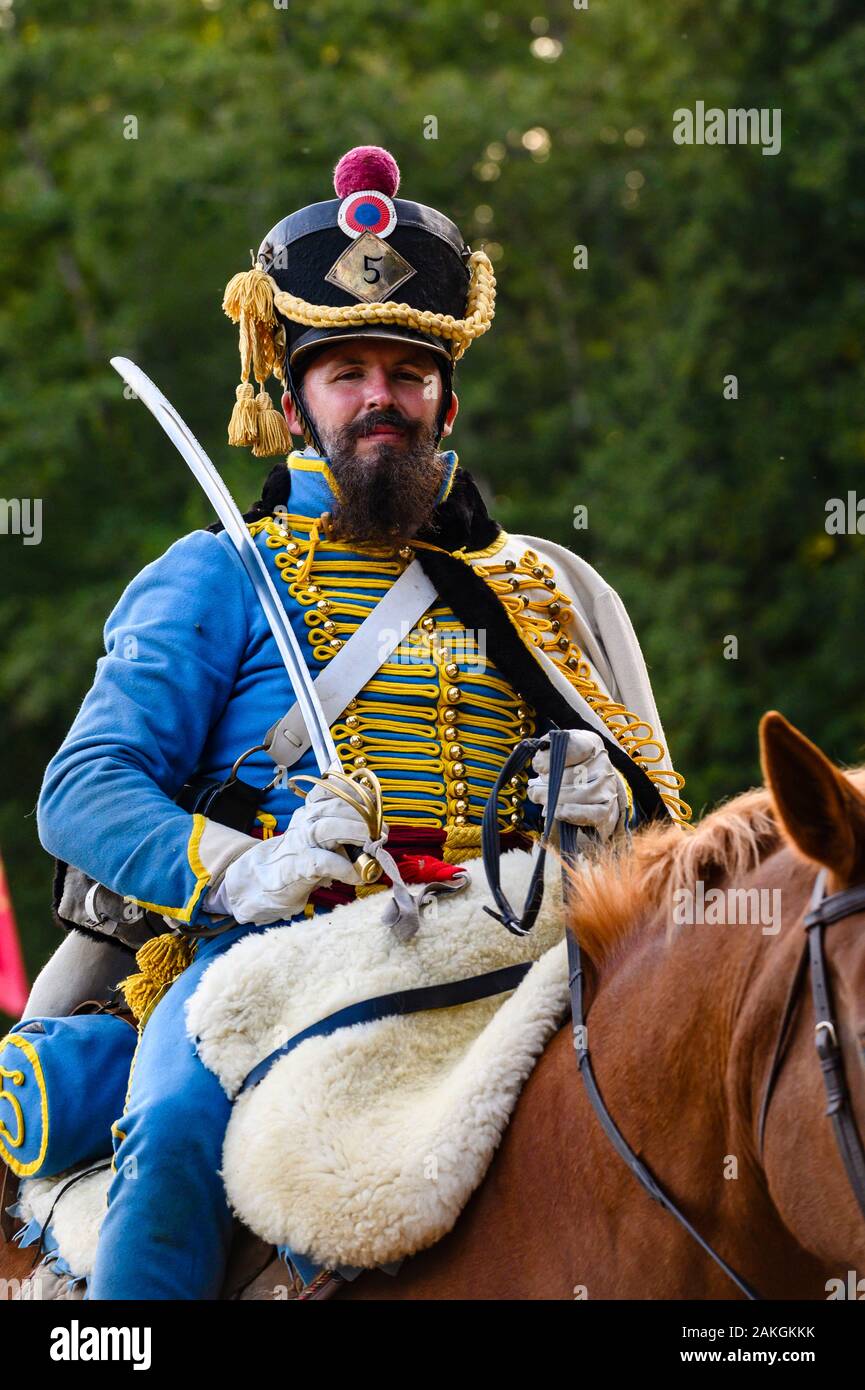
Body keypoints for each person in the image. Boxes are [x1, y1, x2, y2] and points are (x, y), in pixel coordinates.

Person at [15, 146, 690, 1298]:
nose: (379, 395)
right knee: (174, 1130)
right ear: (291, 403)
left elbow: (671, 823)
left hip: (525, 947)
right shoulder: (218, 575)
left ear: (444, 400)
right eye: (346, 373)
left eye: (404, 371)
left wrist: (605, 807)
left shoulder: (557, 588)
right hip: (275, 957)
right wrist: (245, 865)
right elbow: (83, 788)